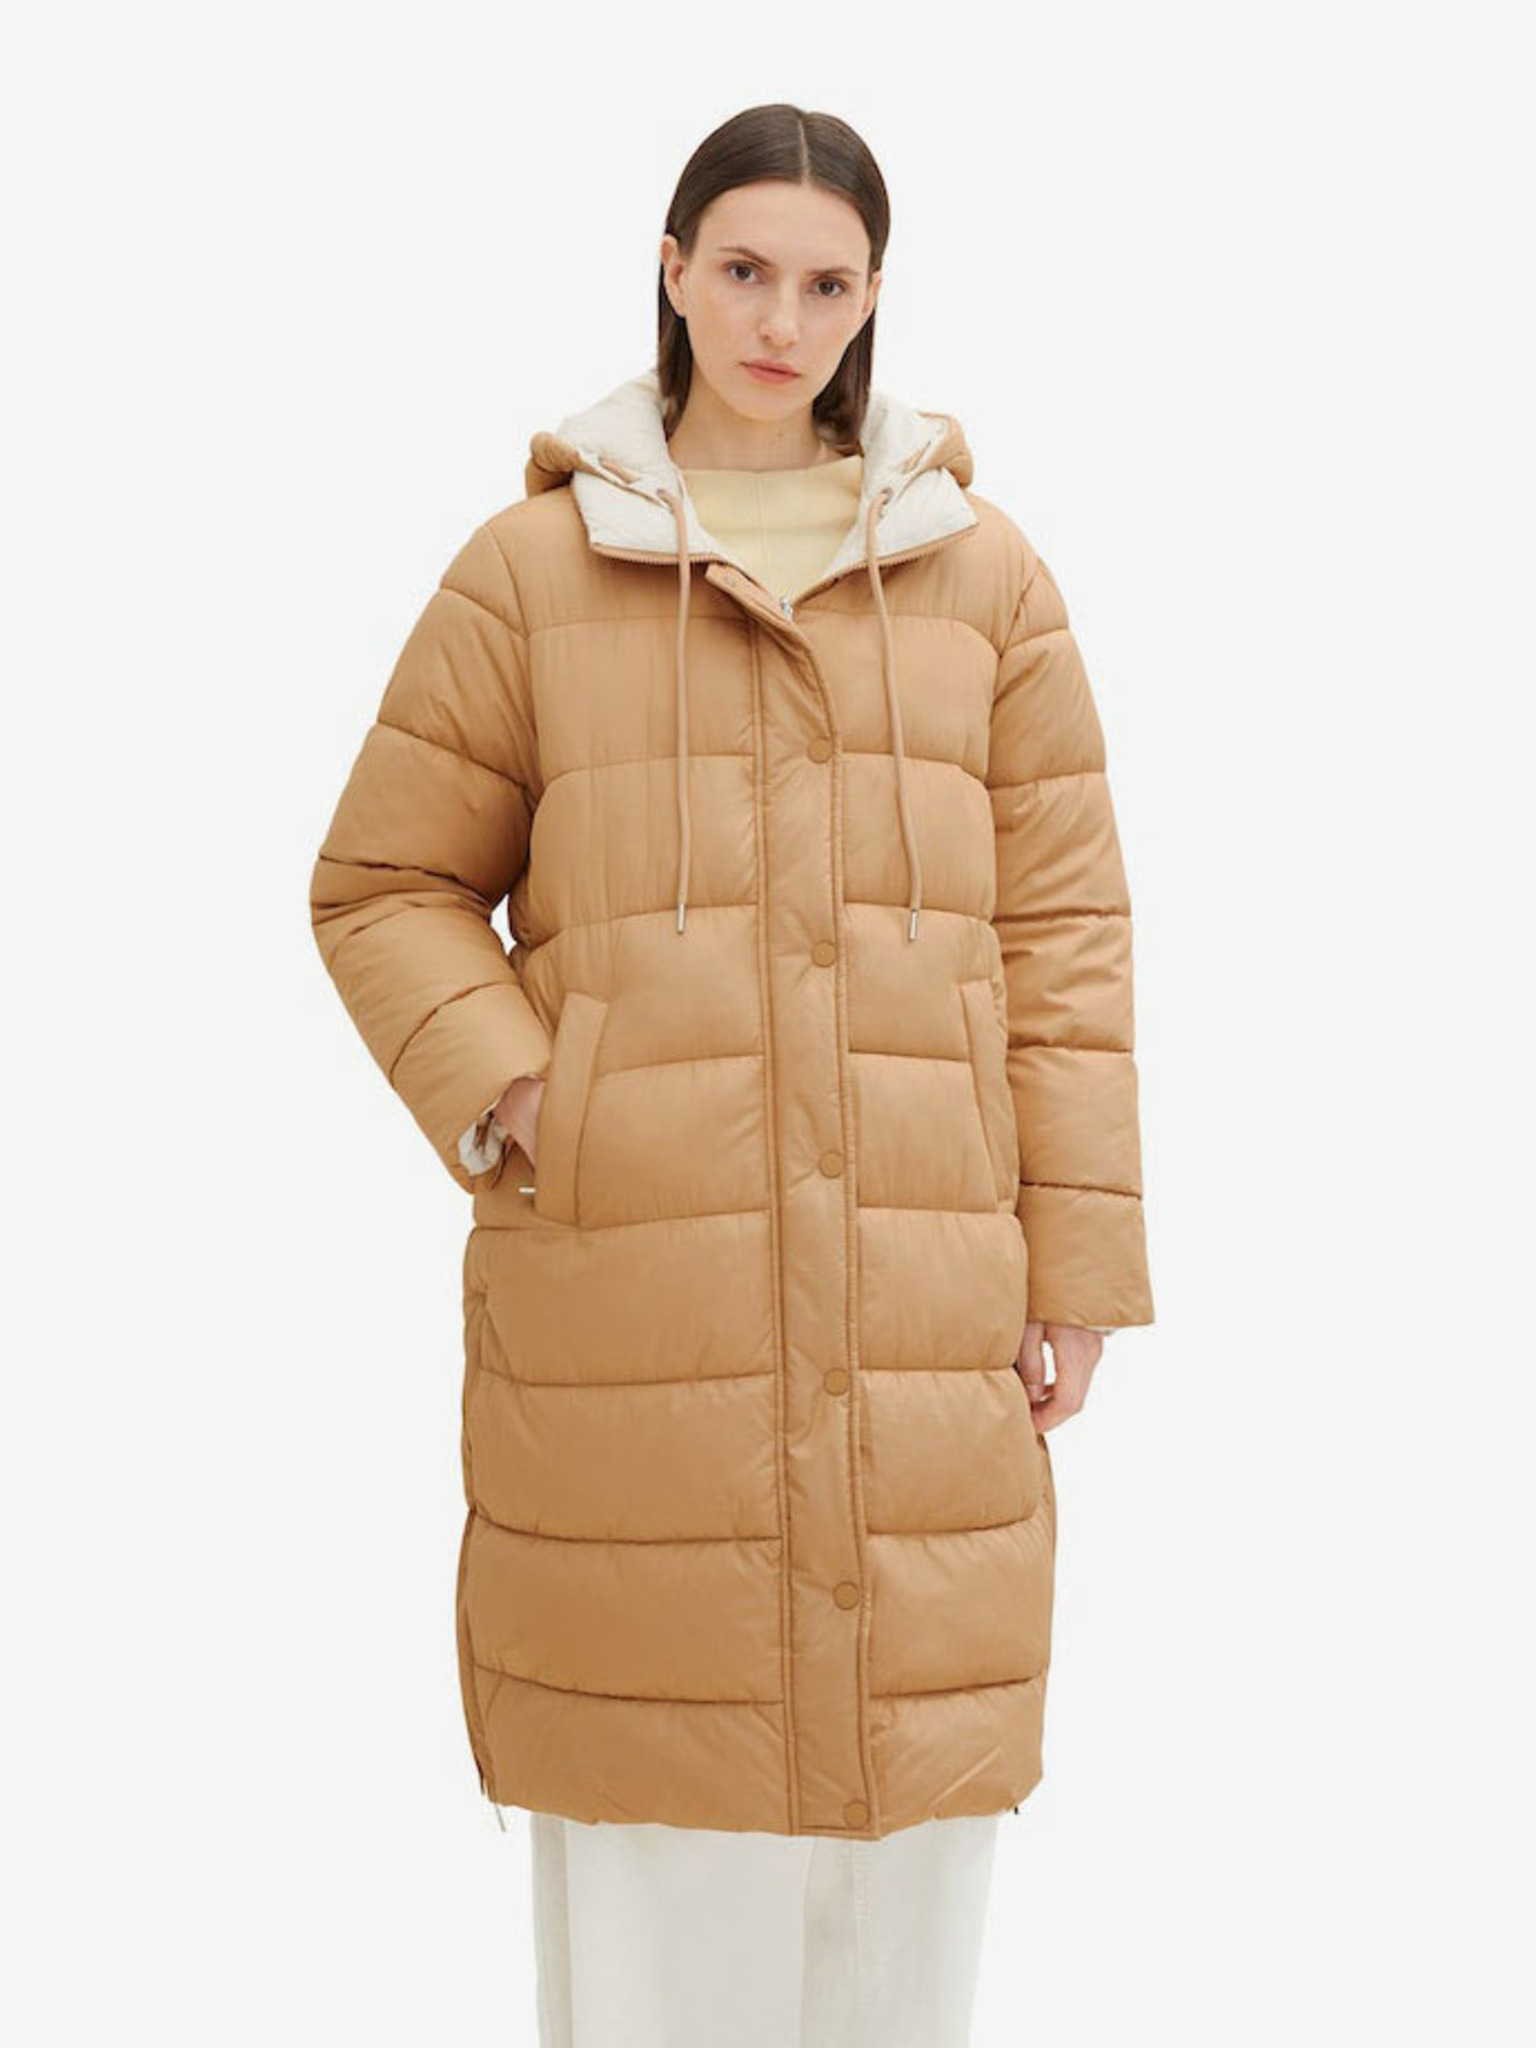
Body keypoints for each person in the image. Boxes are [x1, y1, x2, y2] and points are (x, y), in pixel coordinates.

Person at [309, 100, 1153, 2048]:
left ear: (874, 301)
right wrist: (529, 1091)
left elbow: (1068, 940)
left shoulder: (985, 580)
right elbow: (383, 883)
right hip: (637, 1288)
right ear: (674, 271)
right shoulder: (534, 574)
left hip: (923, 1294)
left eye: (829, 284)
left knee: (900, 1828)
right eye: (748, 270)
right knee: (656, 1823)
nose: (784, 322)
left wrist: (1080, 1266)